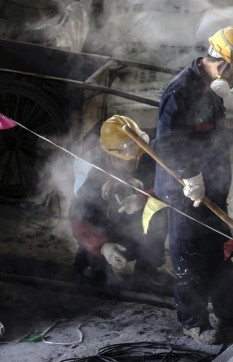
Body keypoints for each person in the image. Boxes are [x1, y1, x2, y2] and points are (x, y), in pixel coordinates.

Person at [153, 26, 233, 345]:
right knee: (188, 255)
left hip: (212, 187)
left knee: (220, 251)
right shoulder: (180, 91)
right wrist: (191, 176)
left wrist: (214, 181)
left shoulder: (213, 89)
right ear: (223, 64)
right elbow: (169, 142)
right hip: (184, 188)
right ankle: (194, 322)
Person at [71, 116, 170, 290]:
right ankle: (93, 263)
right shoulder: (92, 172)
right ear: (112, 154)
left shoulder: (146, 157)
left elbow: (169, 191)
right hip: (106, 232)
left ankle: (148, 268)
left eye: (138, 154)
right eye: (130, 157)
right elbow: (78, 218)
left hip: (135, 229)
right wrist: (102, 247)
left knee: (160, 211)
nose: (136, 159)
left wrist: (143, 198)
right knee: (91, 216)